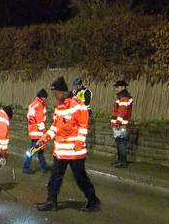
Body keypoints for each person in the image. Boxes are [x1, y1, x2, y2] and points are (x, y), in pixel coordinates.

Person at [36, 77, 100, 212]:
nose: (54, 96)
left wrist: (79, 142)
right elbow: (55, 127)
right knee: (55, 177)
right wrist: (44, 138)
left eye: (56, 93)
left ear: (62, 91)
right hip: (60, 152)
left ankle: (93, 200)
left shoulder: (77, 105)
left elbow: (83, 125)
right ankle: (51, 202)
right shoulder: (59, 108)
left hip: (74, 152)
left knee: (80, 178)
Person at [23, 89, 50, 173]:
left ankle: (44, 166)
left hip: (33, 130)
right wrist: (44, 132)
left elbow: (29, 117)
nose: (46, 100)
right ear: (42, 97)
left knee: (40, 150)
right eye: (45, 98)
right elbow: (40, 121)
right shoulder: (39, 105)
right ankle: (26, 167)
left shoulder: (33, 104)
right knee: (33, 150)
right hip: (38, 132)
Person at [110, 80, 133, 168]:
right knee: (119, 142)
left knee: (121, 143)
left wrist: (117, 122)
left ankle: (122, 162)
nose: (116, 89)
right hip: (120, 124)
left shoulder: (124, 97)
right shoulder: (122, 96)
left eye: (118, 87)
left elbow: (122, 112)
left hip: (121, 125)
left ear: (123, 87)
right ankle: (120, 160)